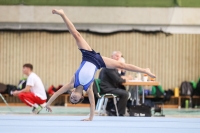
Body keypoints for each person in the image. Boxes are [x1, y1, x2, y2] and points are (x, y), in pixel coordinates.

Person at [45, 9, 156, 121]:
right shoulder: (88, 88)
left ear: (72, 92)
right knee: (121, 65)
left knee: (76, 35)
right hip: (98, 62)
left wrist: (48, 104)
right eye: (75, 100)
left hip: (87, 55)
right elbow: (92, 104)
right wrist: (90, 118)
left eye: (72, 98)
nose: (73, 98)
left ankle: (62, 14)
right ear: (81, 97)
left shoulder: (71, 84)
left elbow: (57, 93)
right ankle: (145, 70)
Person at [99, 52, 132, 116]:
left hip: (108, 87)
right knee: (125, 93)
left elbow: (118, 77)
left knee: (124, 90)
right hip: (106, 88)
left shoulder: (112, 67)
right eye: (117, 56)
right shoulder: (109, 67)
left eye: (119, 57)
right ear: (112, 56)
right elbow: (118, 80)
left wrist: (123, 75)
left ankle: (115, 109)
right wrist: (126, 79)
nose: (118, 58)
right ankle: (119, 112)